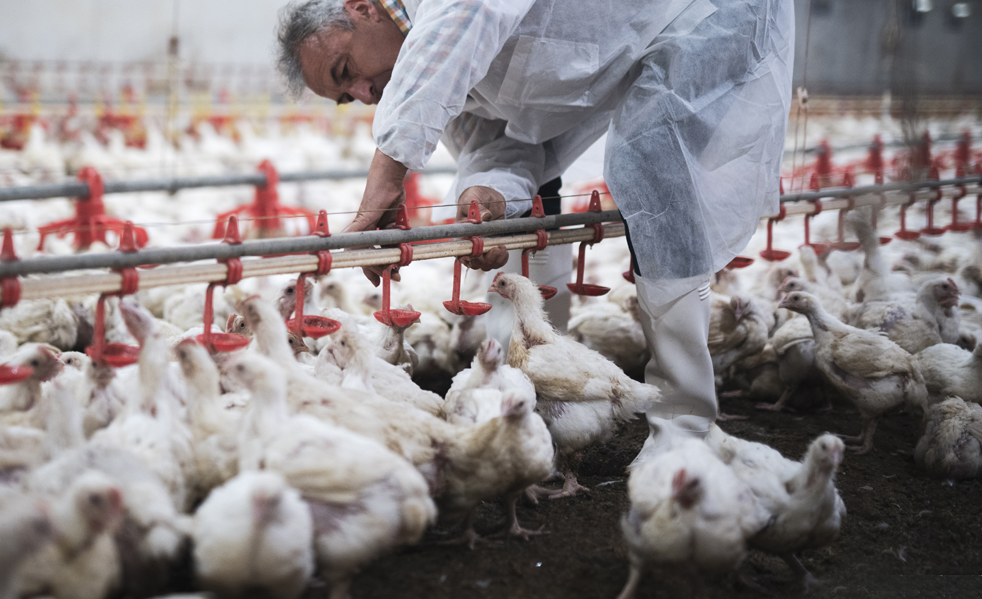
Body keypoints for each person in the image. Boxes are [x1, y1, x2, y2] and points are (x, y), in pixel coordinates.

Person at [275, 0, 794, 456]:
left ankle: (686, 425)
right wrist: (487, 199)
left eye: (347, 70)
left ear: (364, 7)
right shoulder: (436, 74)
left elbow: (464, 19)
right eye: (349, 97)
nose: (365, 93)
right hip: (654, 40)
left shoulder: (439, 28)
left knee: (652, 162)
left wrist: (388, 170)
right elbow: (498, 148)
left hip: (706, 10)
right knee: (646, 165)